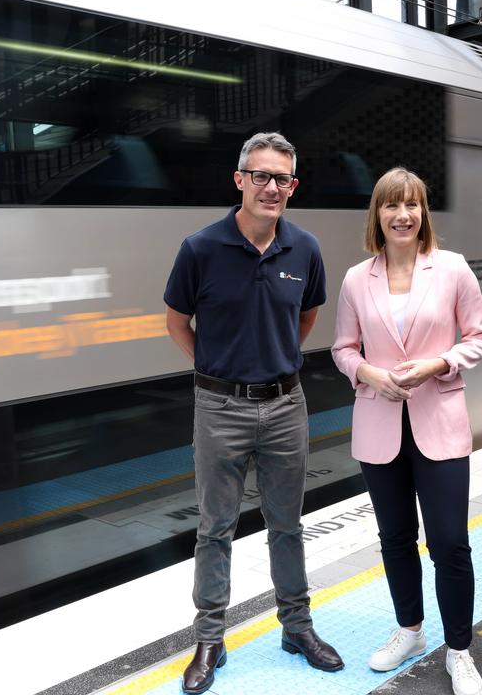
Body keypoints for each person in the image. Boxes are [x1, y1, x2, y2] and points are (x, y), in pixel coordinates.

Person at [164, 132, 342, 694]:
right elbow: (176, 322)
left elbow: (306, 317)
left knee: (287, 526)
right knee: (215, 529)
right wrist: (217, 372)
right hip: (219, 407)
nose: (272, 187)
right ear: (239, 180)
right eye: (260, 176)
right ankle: (210, 639)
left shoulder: (305, 249)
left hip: (287, 405)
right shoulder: (201, 248)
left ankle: (297, 627)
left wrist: (270, 363)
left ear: (293, 186)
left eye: (282, 179)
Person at [332, 168, 482, 695]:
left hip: (439, 424)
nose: (403, 215)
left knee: (449, 543)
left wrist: (438, 364)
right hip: (379, 426)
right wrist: (370, 374)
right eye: (391, 206)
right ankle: (410, 630)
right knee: (395, 538)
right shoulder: (358, 278)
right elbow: (343, 348)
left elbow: (479, 336)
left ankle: (460, 650)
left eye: (413, 205)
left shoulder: (451, 269)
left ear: (424, 213)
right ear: (376, 215)